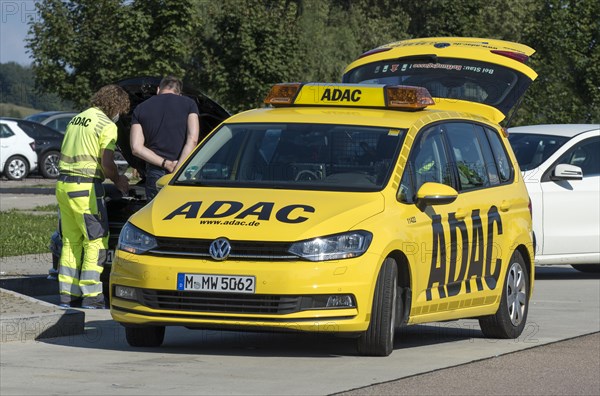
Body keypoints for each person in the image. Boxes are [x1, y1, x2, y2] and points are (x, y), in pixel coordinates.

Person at [55, 84, 130, 309]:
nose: (120, 115)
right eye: (122, 110)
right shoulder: (106, 125)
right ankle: (92, 297)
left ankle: (68, 296)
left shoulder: (77, 119)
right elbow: (106, 164)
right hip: (85, 189)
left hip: (63, 186)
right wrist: (119, 180)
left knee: (70, 241)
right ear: (116, 105)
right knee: (95, 241)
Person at [130, 75, 200, 200]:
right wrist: (178, 169)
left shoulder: (140, 108)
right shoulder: (189, 104)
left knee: (155, 214)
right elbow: (193, 139)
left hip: (155, 172)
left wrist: (165, 163)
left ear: (158, 90)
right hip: (183, 171)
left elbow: (136, 147)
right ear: (179, 93)